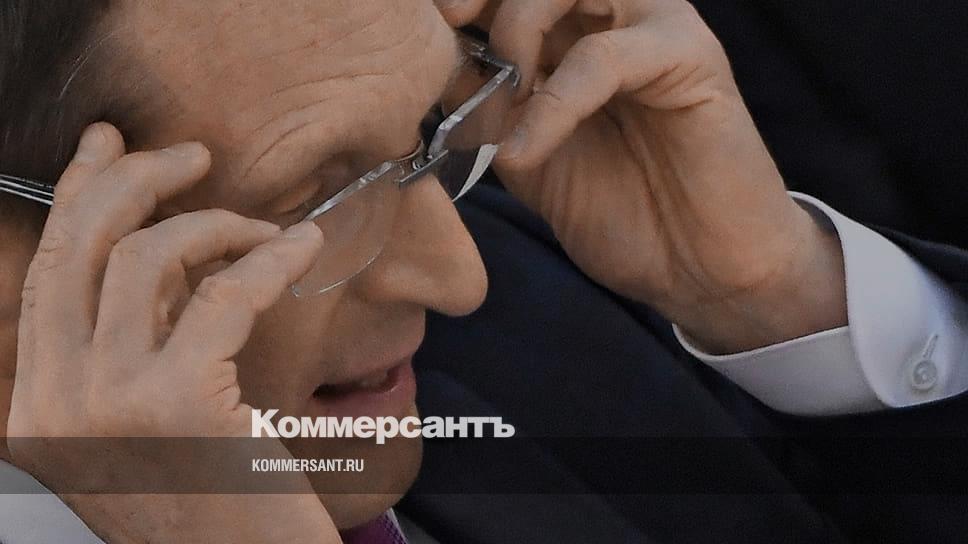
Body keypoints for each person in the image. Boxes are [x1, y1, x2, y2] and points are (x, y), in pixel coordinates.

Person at [0, 0, 963, 543]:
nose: (459, 278)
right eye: (316, 199)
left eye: (432, 132)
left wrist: (772, 296)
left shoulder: (544, 324)